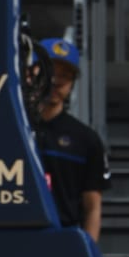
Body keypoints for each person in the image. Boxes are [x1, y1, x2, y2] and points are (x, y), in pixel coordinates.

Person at [31, 39, 108, 242]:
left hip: (64, 240)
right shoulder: (13, 128)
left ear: (73, 82)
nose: (56, 81)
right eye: (49, 71)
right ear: (31, 72)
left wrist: (88, 253)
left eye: (65, 75)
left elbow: (92, 207)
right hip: (17, 236)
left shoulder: (86, 139)